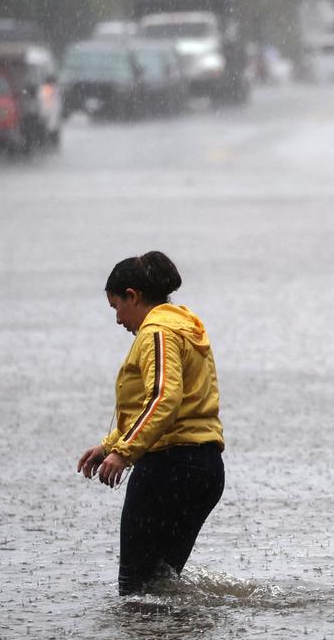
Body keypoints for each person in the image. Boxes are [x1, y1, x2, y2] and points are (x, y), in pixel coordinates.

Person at [76, 251, 225, 595]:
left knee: (134, 590)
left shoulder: (157, 332)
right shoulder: (186, 325)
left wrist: (124, 453)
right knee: (161, 586)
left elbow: (163, 399)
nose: (117, 320)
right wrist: (109, 445)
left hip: (168, 470)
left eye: (116, 307)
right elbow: (175, 404)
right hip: (204, 469)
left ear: (133, 295)